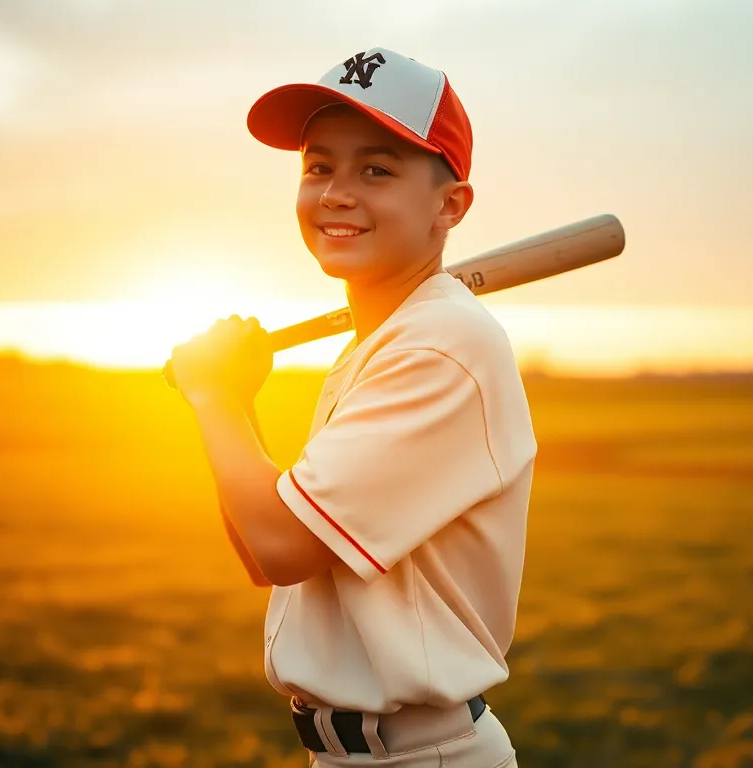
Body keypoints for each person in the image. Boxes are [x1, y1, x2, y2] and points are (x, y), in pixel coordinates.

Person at [169, 46, 535, 767]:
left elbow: (280, 545)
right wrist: (232, 401)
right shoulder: (390, 340)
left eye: (377, 169)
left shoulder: (439, 346)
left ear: (450, 205)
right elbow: (262, 547)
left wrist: (214, 396)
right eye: (318, 166)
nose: (337, 192)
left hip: (423, 755)